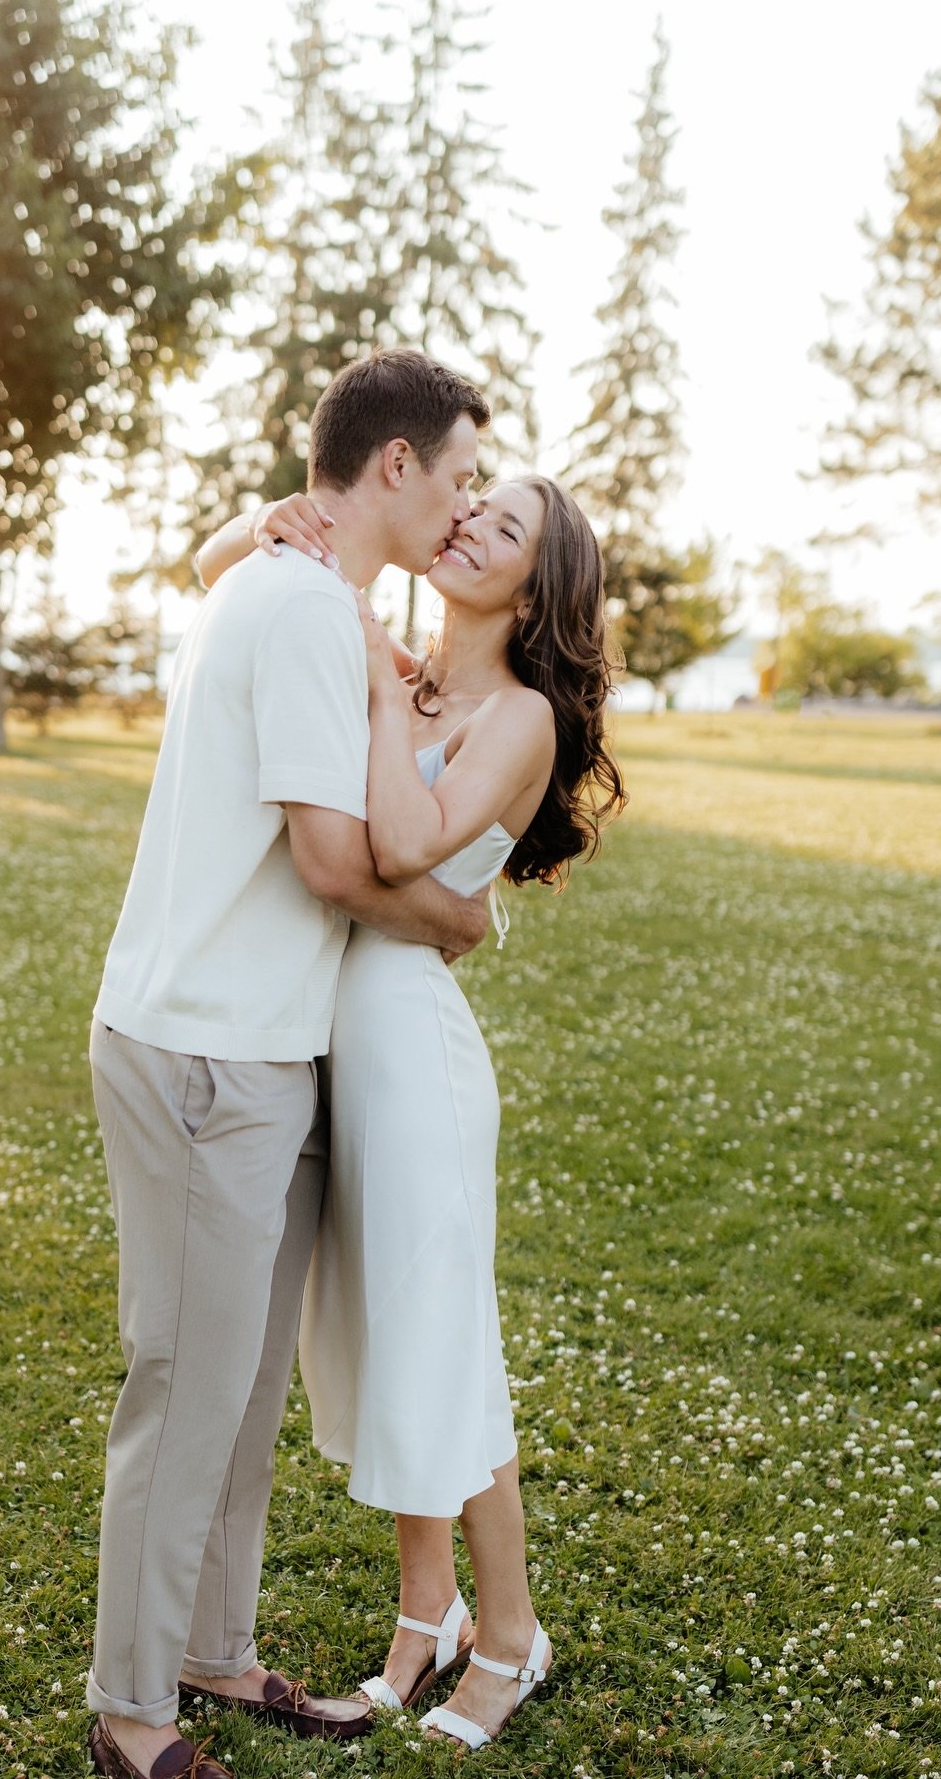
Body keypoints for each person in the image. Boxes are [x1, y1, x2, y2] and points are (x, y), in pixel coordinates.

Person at [84, 350, 496, 1779]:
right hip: (206, 1055)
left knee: (243, 1387)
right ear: (396, 467)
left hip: (260, 1050)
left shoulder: (288, 588)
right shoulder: (307, 607)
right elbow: (331, 860)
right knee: (187, 1387)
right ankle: (135, 1713)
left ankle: (213, 1651)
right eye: (456, 478)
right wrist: (454, 919)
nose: (463, 508)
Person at [203, 470, 624, 1749]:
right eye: (475, 505)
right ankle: (424, 1610)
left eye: (509, 530)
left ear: (538, 586)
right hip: (344, 1038)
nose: (472, 526)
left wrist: (387, 695)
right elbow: (215, 575)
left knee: (449, 1342)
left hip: (418, 1056)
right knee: (393, 1335)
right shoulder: (405, 667)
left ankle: (509, 1638)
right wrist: (265, 518)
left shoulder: (523, 714)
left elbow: (402, 842)